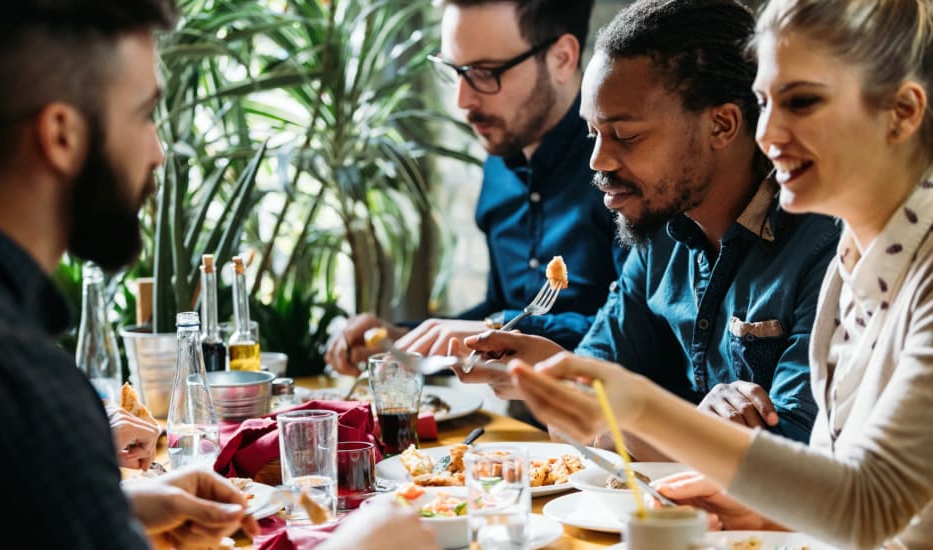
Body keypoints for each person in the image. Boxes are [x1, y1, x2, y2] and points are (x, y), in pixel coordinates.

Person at [0, 1, 438, 549]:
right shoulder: (5, 373)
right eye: (144, 114)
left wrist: (108, 507)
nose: (157, 153)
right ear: (61, 134)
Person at [512, 0, 933, 547]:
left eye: (801, 101)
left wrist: (638, 406)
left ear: (902, 113)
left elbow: (868, 505)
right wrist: (760, 511)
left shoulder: (873, 260)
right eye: (764, 101)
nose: (767, 131)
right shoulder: (854, 261)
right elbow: (839, 484)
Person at [454, 0, 840, 458]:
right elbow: (574, 422)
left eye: (626, 135)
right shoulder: (660, 236)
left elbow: (793, 466)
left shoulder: (826, 246)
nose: (598, 161)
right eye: (593, 133)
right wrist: (555, 377)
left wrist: (606, 406)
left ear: (722, 124)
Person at [325, 0, 625, 375]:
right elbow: (499, 305)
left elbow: (636, 333)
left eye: (485, 73)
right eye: (455, 71)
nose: (462, 101)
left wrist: (500, 328)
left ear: (562, 58)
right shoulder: (500, 161)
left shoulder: (621, 167)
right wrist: (402, 336)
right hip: (523, 425)